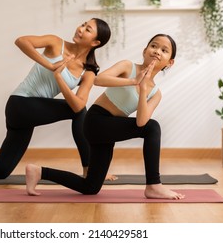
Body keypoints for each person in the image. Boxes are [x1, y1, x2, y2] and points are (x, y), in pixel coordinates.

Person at [0, 18, 111, 180]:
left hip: (30, 113)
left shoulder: (88, 71)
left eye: (88, 29)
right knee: (80, 113)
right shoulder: (56, 43)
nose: (81, 29)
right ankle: (89, 169)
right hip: (20, 104)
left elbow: (78, 103)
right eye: (83, 25)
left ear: (96, 42)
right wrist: (50, 65)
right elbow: (21, 41)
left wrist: (58, 77)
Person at [26, 34, 185, 199]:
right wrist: (133, 81)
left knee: (91, 187)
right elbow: (99, 79)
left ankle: (39, 172)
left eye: (164, 50)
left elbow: (141, 122)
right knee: (153, 127)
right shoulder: (127, 66)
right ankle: (154, 184)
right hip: (96, 121)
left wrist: (143, 87)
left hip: (108, 131)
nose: (157, 51)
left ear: (170, 62)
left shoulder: (155, 94)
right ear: (145, 50)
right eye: (153, 46)